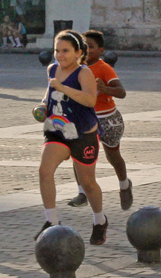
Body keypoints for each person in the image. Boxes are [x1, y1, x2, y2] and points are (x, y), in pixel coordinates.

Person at [35, 30, 108, 244]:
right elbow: (49, 95)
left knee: (88, 183)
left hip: (83, 134)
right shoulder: (52, 69)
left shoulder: (83, 73)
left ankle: (99, 220)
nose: (59, 55)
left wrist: (64, 88)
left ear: (78, 52)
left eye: (65, 51)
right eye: (57, 50)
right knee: (44, 171)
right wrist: (41, 106)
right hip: (58, 130)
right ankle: (51, 221)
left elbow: (90, 101)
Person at [67, 30, 134, 212]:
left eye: (91, 46)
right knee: (78, 155)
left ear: (101, 50)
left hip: (107, 120)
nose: (86, 50)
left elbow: (122, 92)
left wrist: (105, 89)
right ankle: (82, 193)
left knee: (113, 156)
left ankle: (124, 185)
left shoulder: (104, 68)